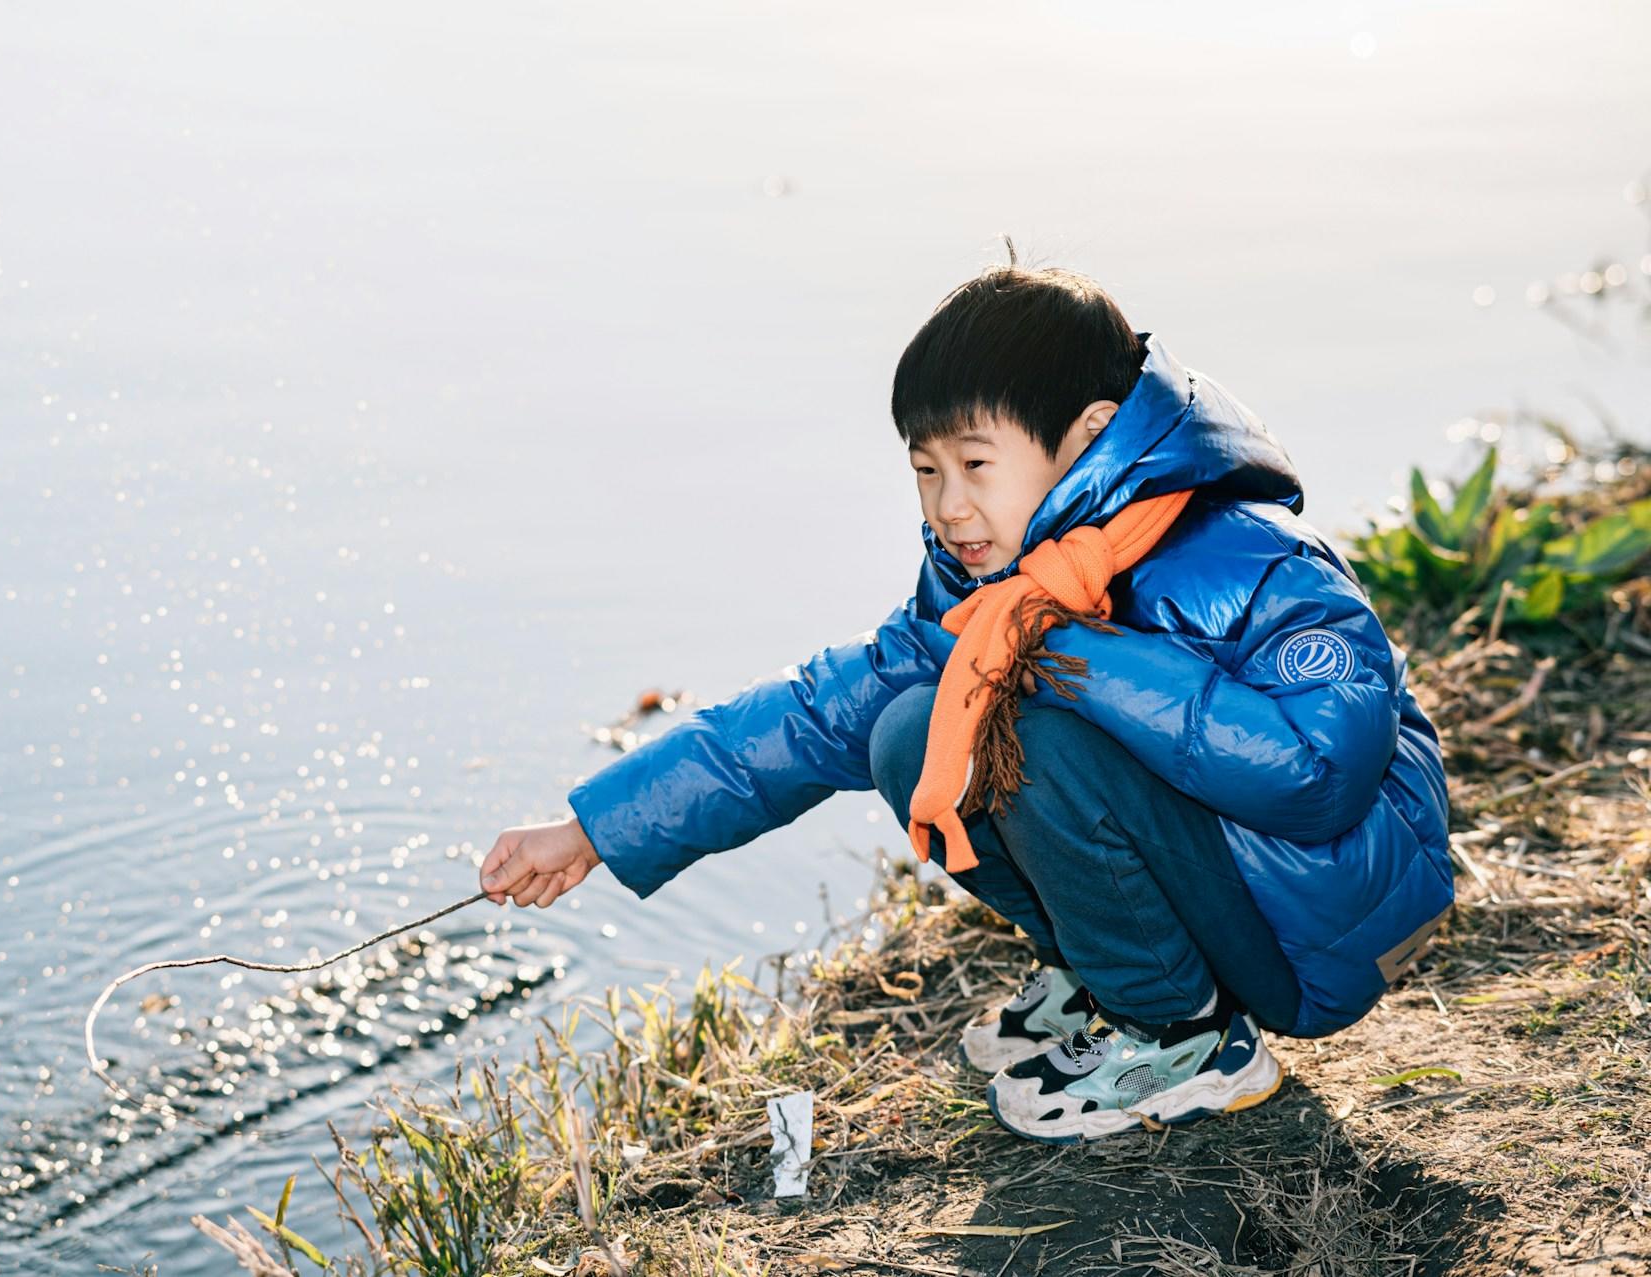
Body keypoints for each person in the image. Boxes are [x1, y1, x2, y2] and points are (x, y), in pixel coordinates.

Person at [476, 244, 1452, 1143]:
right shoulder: (992, 596)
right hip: (1224, 887)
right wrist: (594, 828)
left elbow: (1321, 776)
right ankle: (1122, 976)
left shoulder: (1251, 562)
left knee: (1037, 732)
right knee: (908, 732)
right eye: (926, 470)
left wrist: (1074, 654)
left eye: (977, 466)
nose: (949, 507)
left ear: (1086, 441)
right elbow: (815, 715)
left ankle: (1189, 1038)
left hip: (1324, 929)